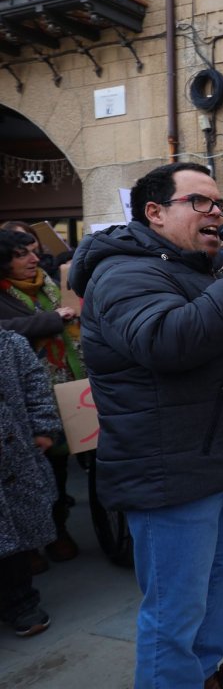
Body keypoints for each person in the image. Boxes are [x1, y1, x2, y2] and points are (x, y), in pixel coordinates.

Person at [69, 162, 223, 688]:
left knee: (219, 582)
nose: (217, 214)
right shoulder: (123, 273)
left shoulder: (198, 269)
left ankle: (206, 674)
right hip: (172, 471)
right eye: (200, 202)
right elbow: (171, 341)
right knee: (174, 610)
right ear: (155, 212)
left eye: (220, 204)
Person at [0, 229, 85, 563]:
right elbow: (7, 332)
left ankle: (57, 530)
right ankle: (29, 545)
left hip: (66, 386)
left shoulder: (50, 285)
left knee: (59, 468)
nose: (34, 260)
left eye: (33, 252)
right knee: (30, 475)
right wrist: (51, 320)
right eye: (22, 255)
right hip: (22, 398)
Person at [0, 331, 61, 637]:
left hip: (14, 457)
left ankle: (22, 602)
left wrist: (44, 427)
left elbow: (37, 386)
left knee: (16, 541)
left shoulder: (10, 344)